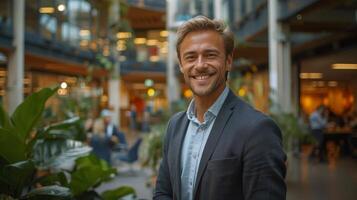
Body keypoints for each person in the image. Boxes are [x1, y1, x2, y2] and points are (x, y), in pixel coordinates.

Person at [154, 16, 286, 200]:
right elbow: (163, 193)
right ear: (182, 65)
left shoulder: (258, 130)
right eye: (191, 57)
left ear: (228, 61)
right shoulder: (175, 126)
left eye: (210, 55)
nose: (200, 65)